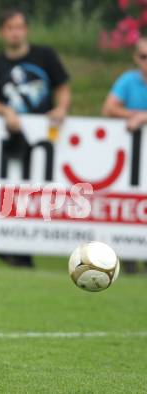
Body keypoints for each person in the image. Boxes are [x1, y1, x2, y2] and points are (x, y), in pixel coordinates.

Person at [0, 8, 71, 268]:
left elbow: (62, 87)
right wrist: (5, 110)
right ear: (2, 32)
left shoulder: (45, 56)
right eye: (10, 27)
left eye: (19, 26)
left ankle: (26, 251)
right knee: (11, 193)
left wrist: (61, 109)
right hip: (10, 141)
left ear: (26, 29)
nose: (15, 32)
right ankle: (12, 249)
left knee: (40, 193)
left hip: (46, 139)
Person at [102, 36, 147, 274]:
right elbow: (108, 108)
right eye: (143, 57)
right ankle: (128, 256)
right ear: (136, 58)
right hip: (133, 161)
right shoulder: (129, 80)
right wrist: (135, 114)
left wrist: (143, 117)